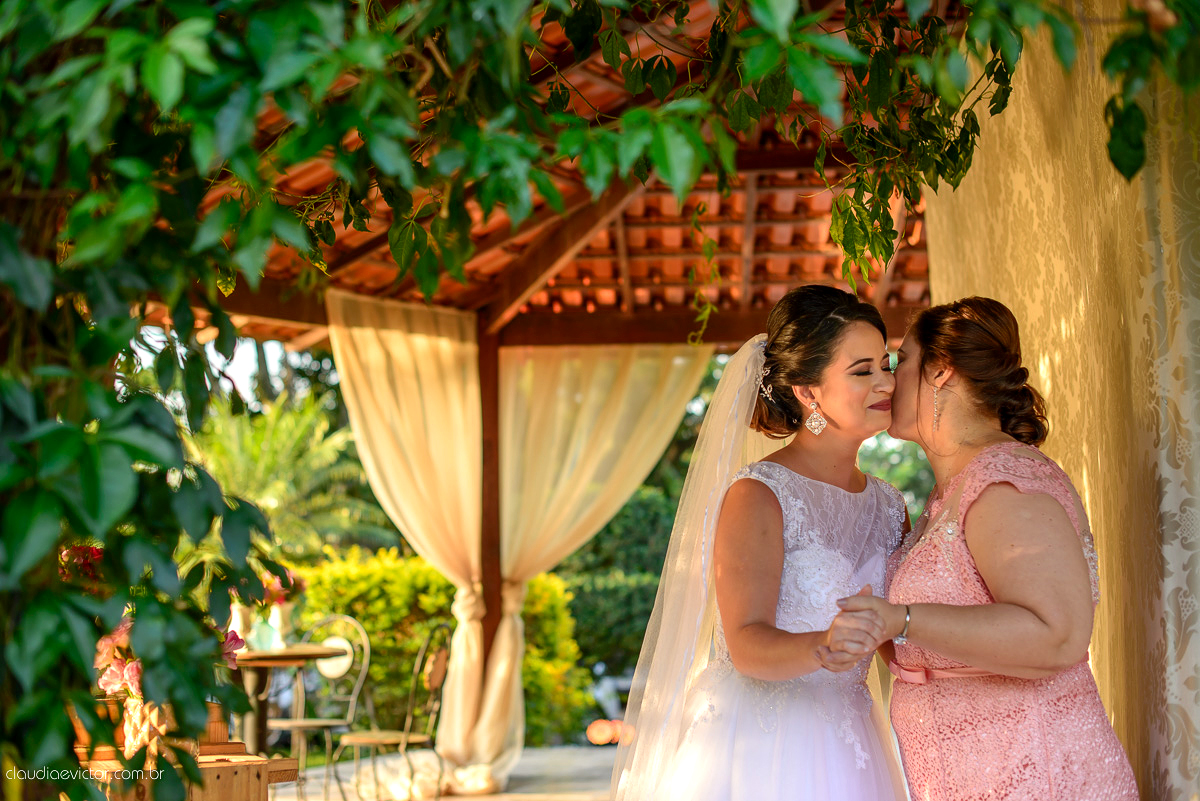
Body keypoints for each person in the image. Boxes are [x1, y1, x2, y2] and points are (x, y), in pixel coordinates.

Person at [611, 285, 908, 801]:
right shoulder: (760, 494)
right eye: (862, 371)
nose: (887, 381)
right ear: (808, 393)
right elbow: (746, 644)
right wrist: (824, 645)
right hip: (762, 746)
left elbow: (896, 644)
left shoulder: (890, 506)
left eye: (887, 363)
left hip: (854, 741)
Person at [835, 296, 1138, 800]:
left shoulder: (1004, 481)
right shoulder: (947, 494)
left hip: (1037, 772)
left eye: (899, 361)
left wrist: (902, 618)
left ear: (941, 372)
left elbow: (1056, 635)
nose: (887, 380)